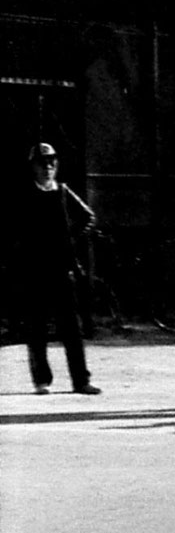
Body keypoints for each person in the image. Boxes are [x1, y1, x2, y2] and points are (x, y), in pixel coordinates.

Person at [12, 142, 101, 395]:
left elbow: (88, 217)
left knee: (71, 328)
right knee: (37, 327)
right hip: (34, 269)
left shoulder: (62, 192)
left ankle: (81, 380)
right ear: (34, 167)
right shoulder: (25, 194)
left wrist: (71, 238)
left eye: (52, 163)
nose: (49, 167)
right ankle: (41, 380)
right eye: (43, 163)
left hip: (62, 268)